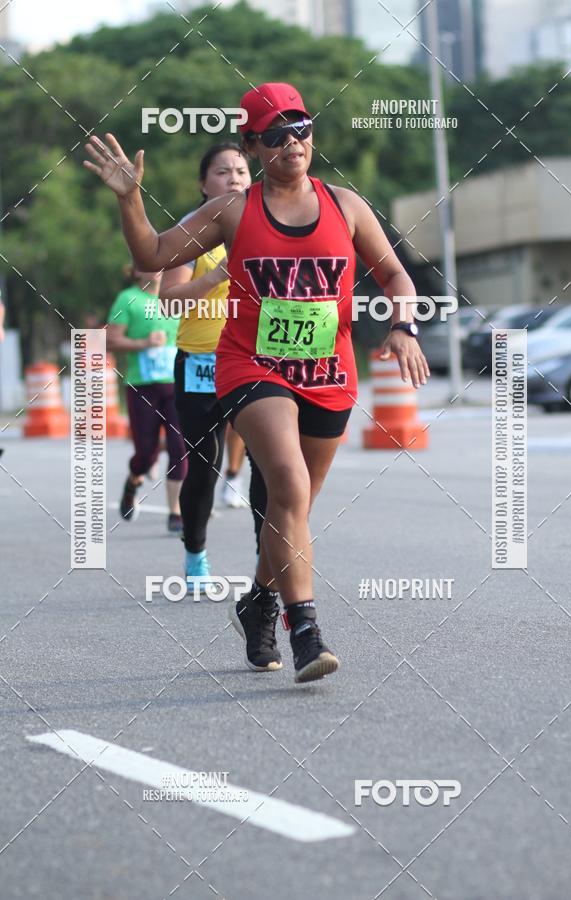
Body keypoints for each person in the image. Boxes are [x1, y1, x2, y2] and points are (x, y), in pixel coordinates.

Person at [83, 81, 429, 684]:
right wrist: (130, 200)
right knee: (287, 484)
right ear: (255, 146)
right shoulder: (233, 211)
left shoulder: (345, 205)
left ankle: (258, 601)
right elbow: (155, 251)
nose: (293, 141)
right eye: (276, 134)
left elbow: (397, 275)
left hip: (328, 375)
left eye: (301, 128)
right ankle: (306, 629)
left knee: (291, 509)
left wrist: (403, 327)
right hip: (252, 367)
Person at [159, 142, 266, 592]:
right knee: (205, 465)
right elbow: (167, 301)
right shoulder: (190, 232)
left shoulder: (268, 228)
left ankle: (271, 561)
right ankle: (196, 555)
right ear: (203, 184)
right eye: (223, 172)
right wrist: (217, 275)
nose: (235, 178)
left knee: (267, 464)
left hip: (255, 361)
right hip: (200, 363)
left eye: (241, 170)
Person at [106, 267, 187, 531]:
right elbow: (110, 339)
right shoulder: (128, 299)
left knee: (179, 447)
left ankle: (175, 513)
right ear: (135, 270)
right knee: (146, 453)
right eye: (147, 265)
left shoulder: (176, 298)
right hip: (143, 386)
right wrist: (143, 343)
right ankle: (133, 480)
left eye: (159, 264)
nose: (154, 270)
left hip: (176, 385)